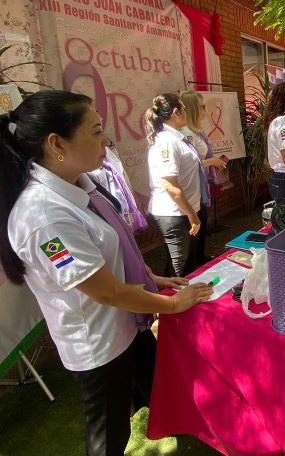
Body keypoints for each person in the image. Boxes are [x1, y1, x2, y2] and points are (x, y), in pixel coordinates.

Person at [0, 90, 213, 456]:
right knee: (108, 434)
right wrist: (174, 304)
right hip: (100, 345)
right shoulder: (43, 216)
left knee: (163, 388)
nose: (106, 140)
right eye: (96, 131)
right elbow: (106, 291)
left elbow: (114, 253)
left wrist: (156, 280)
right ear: (57, 144)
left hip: (128, 325)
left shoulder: (80, 184)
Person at [145, 93, 206, 277]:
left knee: (187, 264)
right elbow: (169, 184)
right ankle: (170, 302)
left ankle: (187, 302)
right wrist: (192, 216)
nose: (186, 111)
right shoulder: (166, 141)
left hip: (185, 211)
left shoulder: (177, 138)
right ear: (175, 113)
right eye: (183, 108)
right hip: (174, 213)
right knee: (177, 267)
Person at [180, 90, 226, 264]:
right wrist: (210, 161)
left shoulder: (197, 132)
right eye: (202, 107)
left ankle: (200, 259)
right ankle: (192, 266)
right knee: (194, 229)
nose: (205, 110)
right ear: (192, 109)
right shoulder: (185, 133)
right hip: (191, 189)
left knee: (202, 224)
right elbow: (189, 164)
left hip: (200, 186)